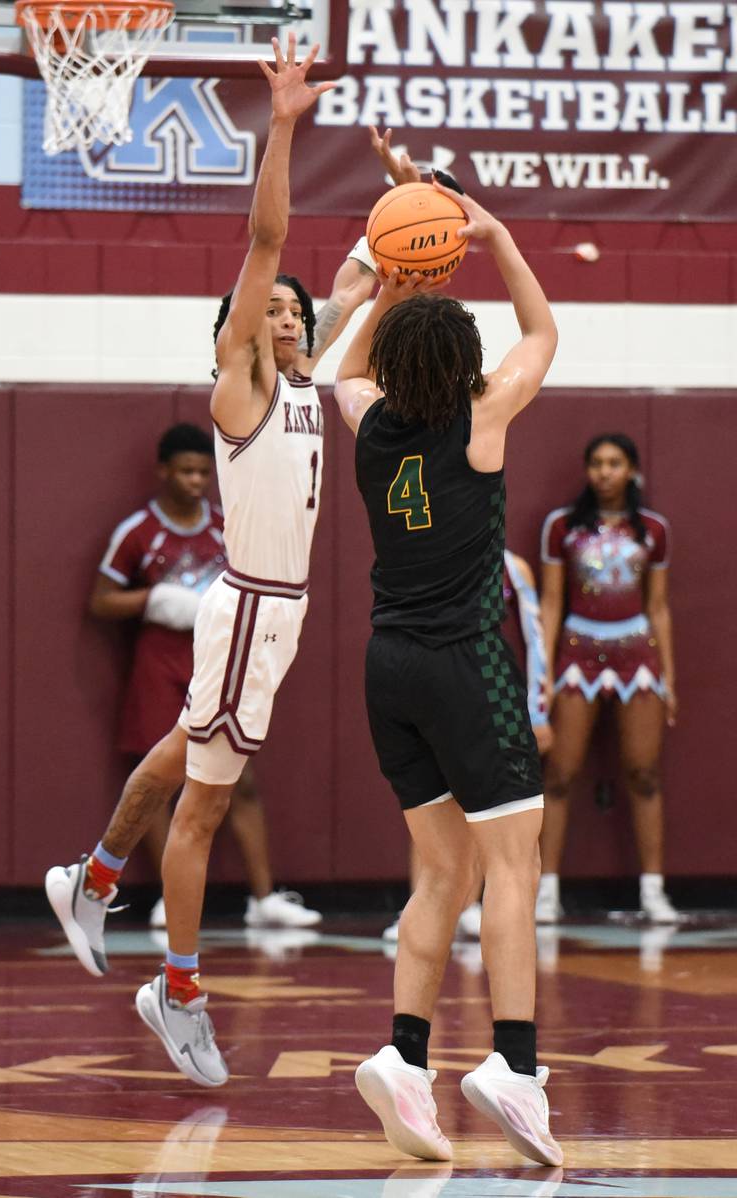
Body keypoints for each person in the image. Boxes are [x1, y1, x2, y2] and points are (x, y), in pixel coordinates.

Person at [45, 35, 376, 1087]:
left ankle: (90, 879)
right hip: (251, 610)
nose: (285, 312)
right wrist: (282, 123)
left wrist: (426, 200)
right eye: (268, 310)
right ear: (236, 334)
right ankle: (176, 990)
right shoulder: (238, 394)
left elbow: (367, 268)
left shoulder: (304, 380)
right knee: (204, 805)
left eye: (293, 311)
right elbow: (269, 236)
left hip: (274, 615)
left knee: (190, 757)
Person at [333, 174, 561, 1165]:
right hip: (465, 661)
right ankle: (512, 1061)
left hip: (388, 667)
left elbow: (343, 367)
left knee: (442, 870)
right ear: (468, 364)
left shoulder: (369, 423)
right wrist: (497, 234)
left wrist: (387, 280)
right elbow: (542, 332)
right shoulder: (484, 414)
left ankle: (404, 1056)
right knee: (511, 865)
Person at [90, 422, 321, 932]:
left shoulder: (225, 524)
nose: (196, 481)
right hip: (159, 661)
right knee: (165, 778)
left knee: (238, 778)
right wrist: (153, 599)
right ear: (164, 473)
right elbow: (101, 600)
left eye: (203, 471)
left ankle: (264, 897)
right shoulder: (138, 532)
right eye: (186, 472)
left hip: (216, 652)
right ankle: (164, 897)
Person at [536, 433, 679, 925]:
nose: (604, 472)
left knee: (643, 772)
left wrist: (670, 678)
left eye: (614, 463)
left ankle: (653, 889)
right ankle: (546, 889)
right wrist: (546, 674)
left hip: (638, 654)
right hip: (578, 653)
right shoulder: (562, 527)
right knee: (559, 773)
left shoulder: (654, 529)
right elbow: (551, 603)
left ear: (632, 469)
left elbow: (658, 606)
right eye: (596, 462)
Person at [382, 548, 553, 943]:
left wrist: (539, 712)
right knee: (429, 804)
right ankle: (419, 903)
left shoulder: (515, 567)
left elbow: (536, 640)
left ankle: (472, 904)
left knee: (484, 807)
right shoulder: (434, 557)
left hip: (495, 700)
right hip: (439, 695)